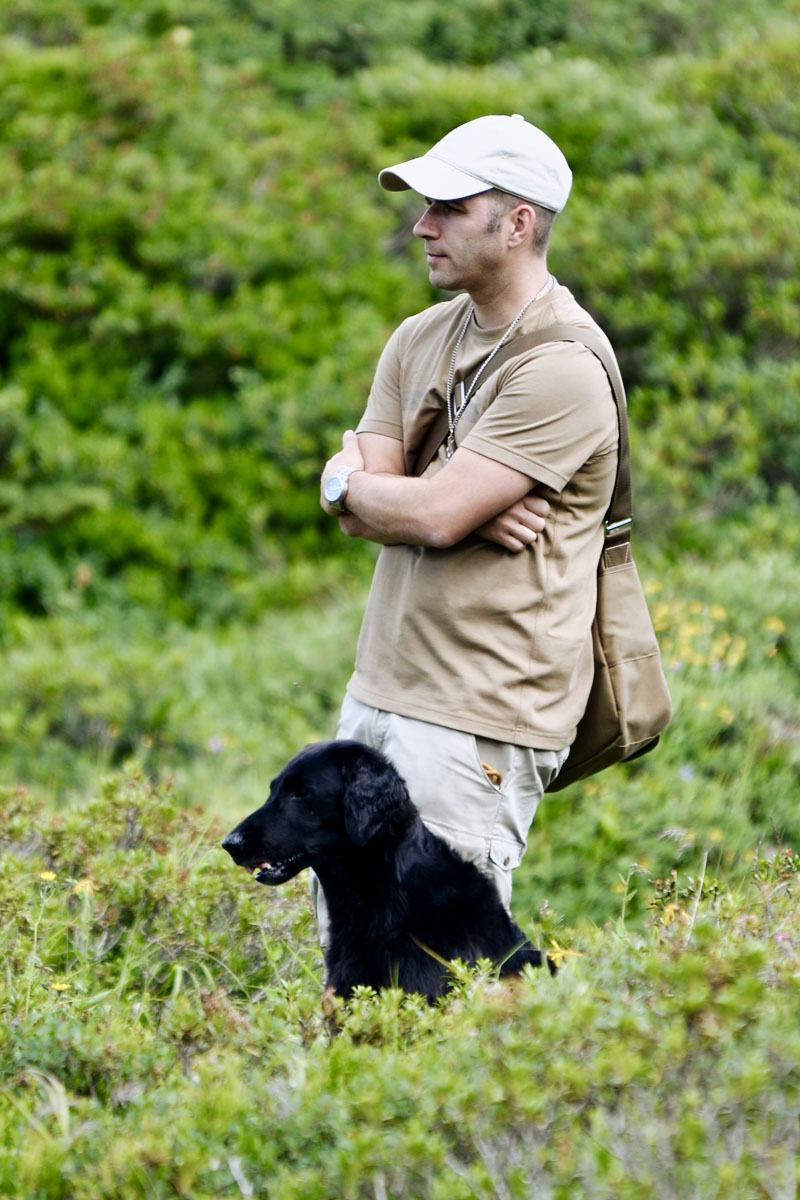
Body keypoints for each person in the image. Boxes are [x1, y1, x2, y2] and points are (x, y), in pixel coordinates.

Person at [316, 113, 619, 930]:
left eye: (449, 207)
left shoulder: (563, 366)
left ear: (518, 223)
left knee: (435, 974)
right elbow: (369, 507)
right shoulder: (419, 336)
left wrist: (386, 493)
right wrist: (357, 489)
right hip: (378, 694)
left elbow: (433, 515)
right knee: (351, 961)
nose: (423, 225)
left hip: (475, 718)